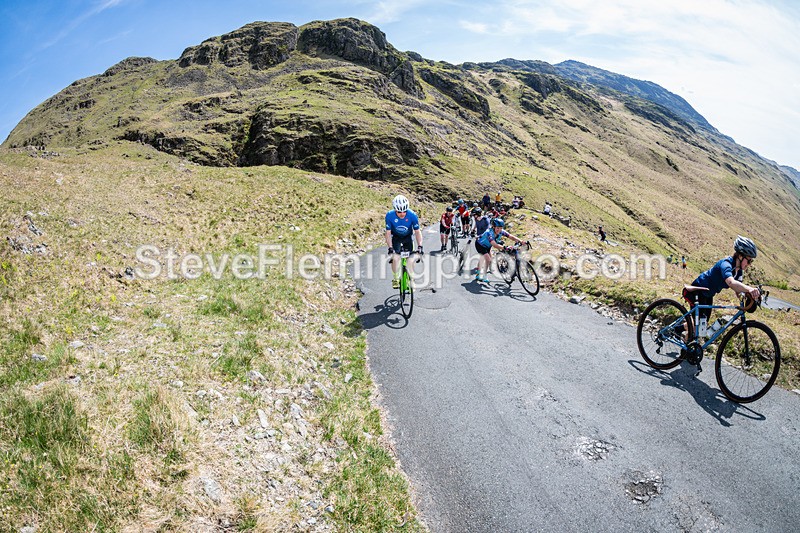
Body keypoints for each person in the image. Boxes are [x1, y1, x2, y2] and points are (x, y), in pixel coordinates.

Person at [684, 236, 760, 337]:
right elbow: (731, 283)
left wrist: (749, 295)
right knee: (698, 329)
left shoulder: (739, 271)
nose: (749, 264)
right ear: (741, 256)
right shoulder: (726, 264)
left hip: (708, 294)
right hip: (697, 292)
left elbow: (738, 290)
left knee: (701, 326)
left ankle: (679, 331)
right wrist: (749, 288)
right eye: (749, 260)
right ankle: (684, 348)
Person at [385, 195, 423, 288]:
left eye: (404, 211)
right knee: (395, 258)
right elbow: (388, 233)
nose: (402, 214)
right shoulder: (389, 215)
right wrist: (390, 248)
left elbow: (417, 232)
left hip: (407, 237)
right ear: (395, 209)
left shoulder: (412, 215)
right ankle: (395, 278)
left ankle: (412, 279)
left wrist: (420, 246)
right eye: (399, 211)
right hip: (396, 238)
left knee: (410, 260)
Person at [473, 218, 525, 283]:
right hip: (480, 245)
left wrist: (521, 241)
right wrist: (505, 248)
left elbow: (511, 236)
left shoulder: (501, 231)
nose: (499, 230)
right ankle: (484, 275)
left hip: (487, 246)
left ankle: (478, 272)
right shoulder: (489, 233)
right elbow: (494, 245)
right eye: (497, 228)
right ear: (493, 227)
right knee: (488, 259)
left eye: (501, 228)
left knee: (487, 258)